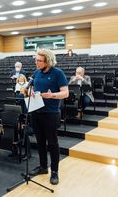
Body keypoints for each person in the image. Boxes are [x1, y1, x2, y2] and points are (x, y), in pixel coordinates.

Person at [28, 49, 69, 185]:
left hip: (51, 114)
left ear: (48, 61)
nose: (36, 62)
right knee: (40, 142)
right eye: (36, 60)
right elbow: (32, 88)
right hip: (36, 112)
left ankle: (55, 172)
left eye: (39, 60)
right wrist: (31, 92)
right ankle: (43, 167)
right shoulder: (36, 73)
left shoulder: (58, 73)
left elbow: (65, 93)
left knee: (52, 143)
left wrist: (52, 95)